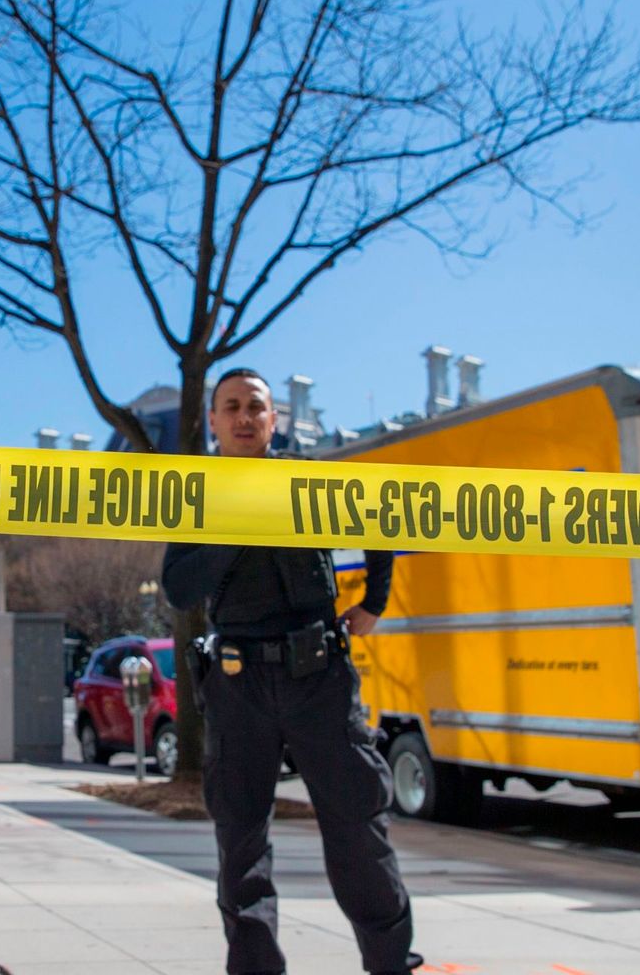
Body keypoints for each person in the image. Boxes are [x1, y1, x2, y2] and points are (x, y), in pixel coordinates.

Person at [162, 368, 418, 975]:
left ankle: (389, 964)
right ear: (215, 422)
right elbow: (178, 588)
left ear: (274, 420)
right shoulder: (195, 495)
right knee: (241, 845)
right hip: (236, 684)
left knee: (358, 830)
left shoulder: (310, 483)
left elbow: (382, 517)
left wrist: (375, 602)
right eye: (232, 407)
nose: (245, 417)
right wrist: (238, 519)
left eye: (256, 407)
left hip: (320, 681)